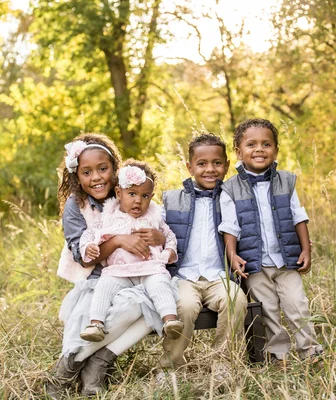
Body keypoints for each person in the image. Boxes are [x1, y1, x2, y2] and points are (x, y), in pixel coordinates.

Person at [48, 133, 164, 398]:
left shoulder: (131, 194)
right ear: (76, 176)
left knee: (146, 306)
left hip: (135, 276)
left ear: (115, 168)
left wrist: (159, 238)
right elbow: (84, 257)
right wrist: (119, 241)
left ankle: (95, 365)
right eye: (87, 172)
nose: (97, 177)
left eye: (103, 169)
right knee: (90, 315)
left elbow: (158, 227)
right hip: (96, 279)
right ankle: (67, 370)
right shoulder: (76, 206)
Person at [219, 118, 323, 362]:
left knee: (297, 305)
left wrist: (306, 249)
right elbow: (230, 227)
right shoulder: (230, 188)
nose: (259, 150)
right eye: (251, 144)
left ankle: (310, 351)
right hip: (255, 264)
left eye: (266, 144)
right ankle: (278, 354)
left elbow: (299, 216)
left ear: (276, 150)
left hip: (286, 259)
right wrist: (232, 255)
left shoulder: (286, 181)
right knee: (268, 310)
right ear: (238, 151)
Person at [160, 133, 248, 370]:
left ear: (227, 165)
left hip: (219, 276)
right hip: (184, 277)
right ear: (190, 167)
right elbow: (149, 224)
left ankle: (223, 363)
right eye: (202, 164)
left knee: (236, 300)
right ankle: (170, 365)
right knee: (185, 307)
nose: (210, 169)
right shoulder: (170, 200)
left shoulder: (233, 200)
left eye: (217, 163)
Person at [79, 159, 184, 342]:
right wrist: (89, 247)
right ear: (119, 193)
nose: (138, 201)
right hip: (118, 271)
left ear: (151, 197)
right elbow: (88, 234)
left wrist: (168, 251)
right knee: (104, 287)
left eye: (145, 196)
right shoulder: (108, 216)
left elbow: (170, 236)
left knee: (160, 284)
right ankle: (96, 323)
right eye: (132, 194)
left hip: (150, 268)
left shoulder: (154, 217)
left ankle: (170, 320)